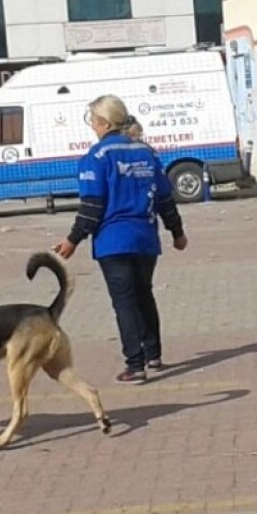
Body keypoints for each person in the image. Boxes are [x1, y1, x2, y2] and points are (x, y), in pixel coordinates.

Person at [53, 95, 188, 385]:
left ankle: (134, 365)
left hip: (113, 241)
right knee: (144, 294)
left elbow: (92, 205)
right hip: (146, 240)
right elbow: (166, 198)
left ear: (103, 122)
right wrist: (177, 232)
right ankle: (153, 355)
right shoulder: (146, 153)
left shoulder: (97, 157)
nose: (92, 126)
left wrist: (72, 240)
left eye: (92, 120)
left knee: (124, 302)